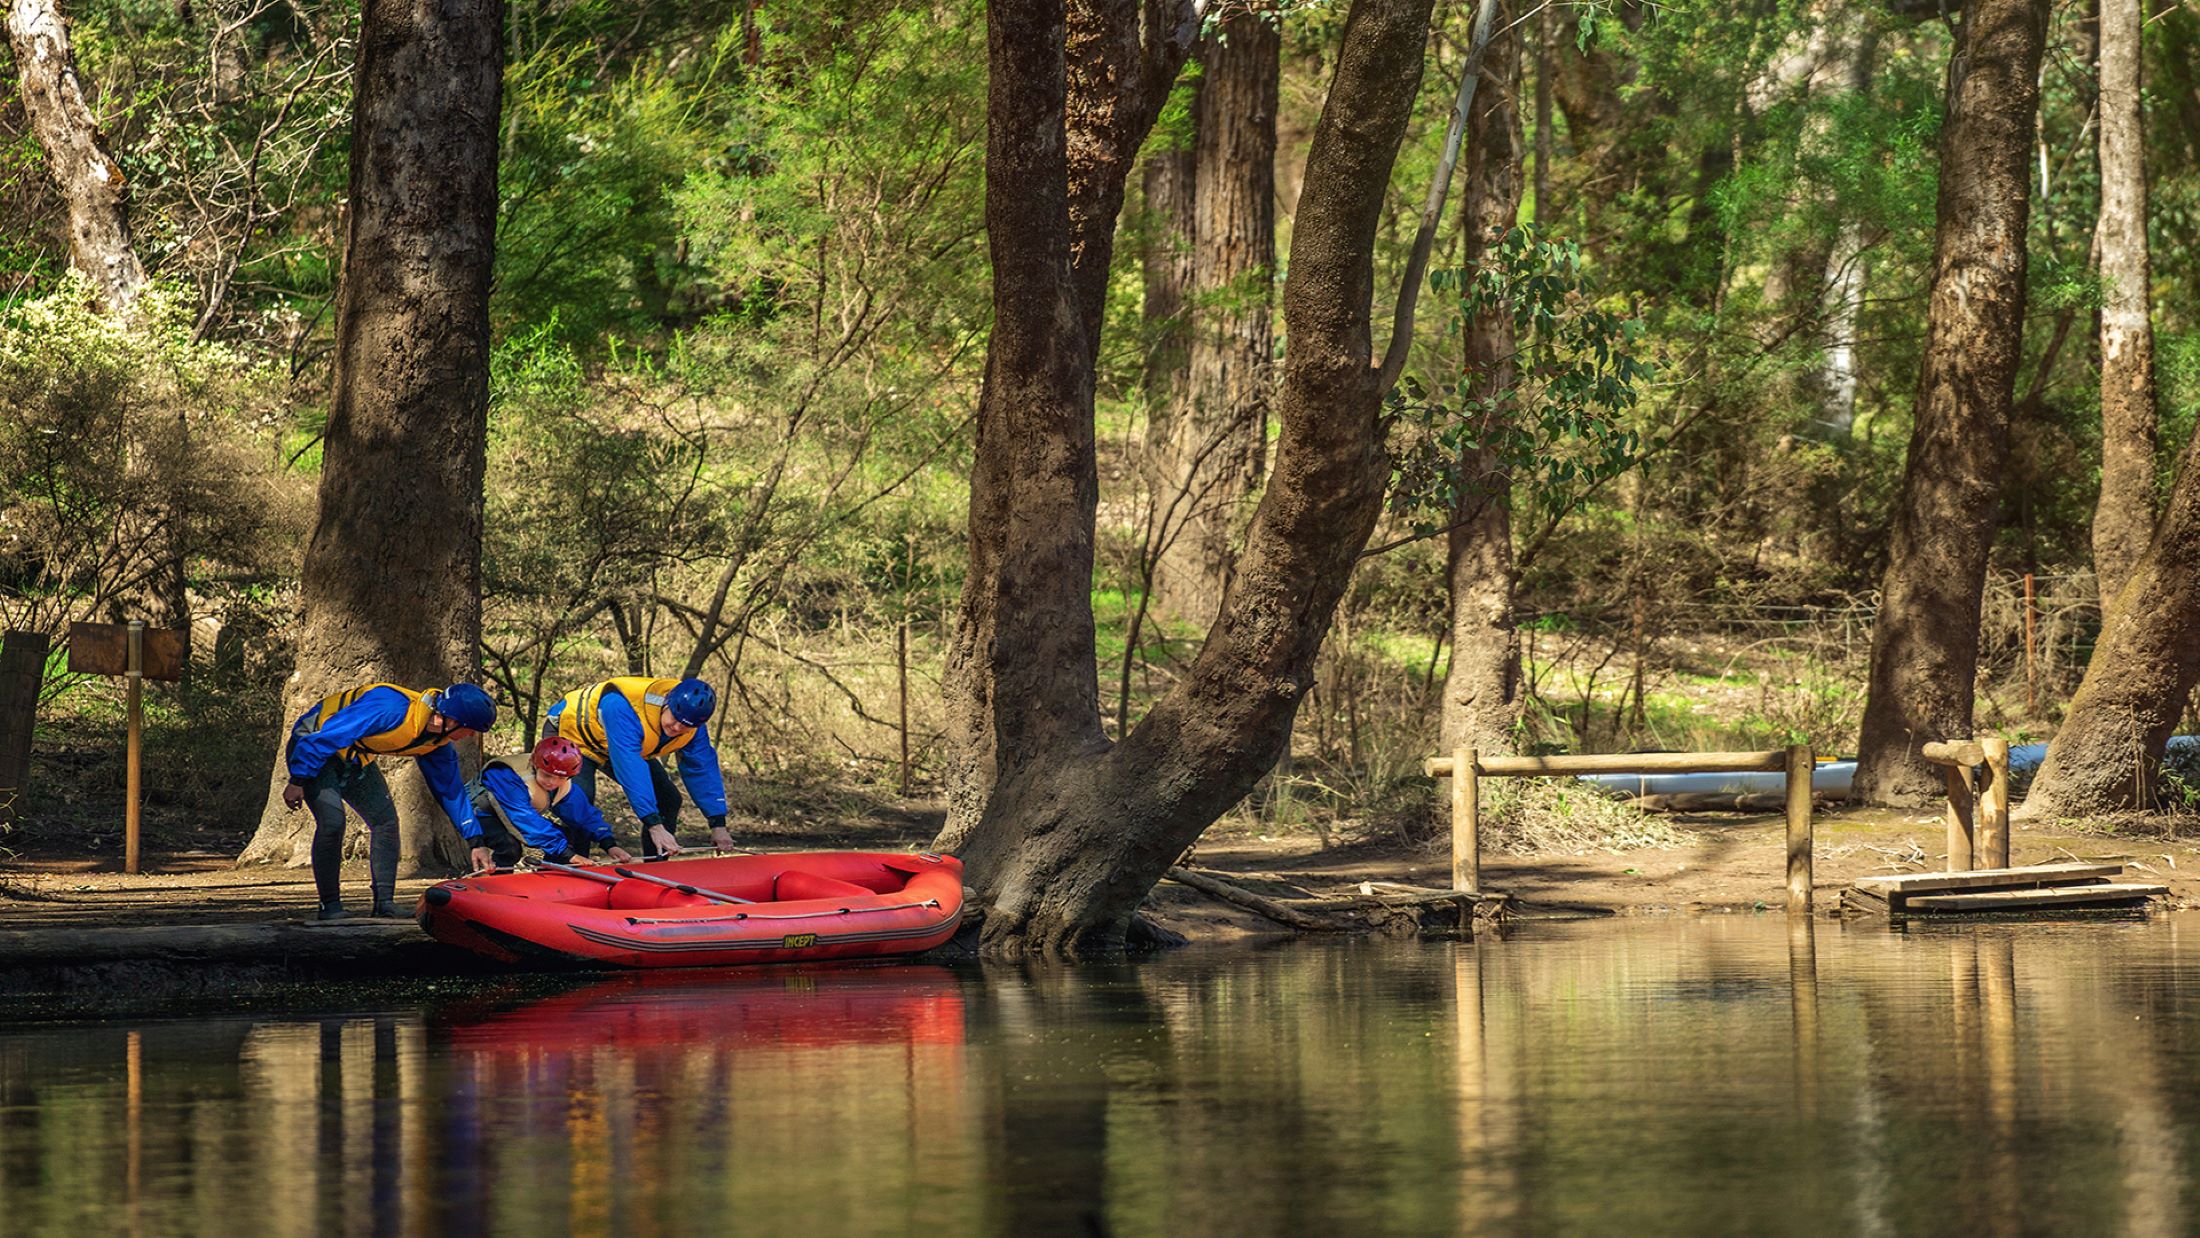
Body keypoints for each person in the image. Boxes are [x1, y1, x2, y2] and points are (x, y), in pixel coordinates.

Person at [281, 681, 498, 920]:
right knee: (332, 822)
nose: (471, 735)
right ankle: (330, 906)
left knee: (386, 823)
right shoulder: (390, 708)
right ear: (450, 719)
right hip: (313, 748)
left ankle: (385, 904)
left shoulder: (437, 744)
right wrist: (298, 779)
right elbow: (325, 738)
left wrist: (475, 840)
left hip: (355, 758)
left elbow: (451, 792)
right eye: (470, 729)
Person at [545, 676, 735, 858]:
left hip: (615, 745)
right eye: (675, 718)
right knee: (578, 800)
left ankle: (656, 865)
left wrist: (718, 824)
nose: (677, 728)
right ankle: (572, 864)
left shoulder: (693, 721)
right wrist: (654, 825)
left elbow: (702, 768)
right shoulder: (623, 707)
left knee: (668, 799)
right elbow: (631, 768)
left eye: (686, 726)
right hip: (573, 735)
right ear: (666, 704)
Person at [472, 735, 635, 868]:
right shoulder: (507, 776)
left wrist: (609, 844)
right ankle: (494, 882)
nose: (552, 783)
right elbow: (523, 818)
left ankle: (552, 878)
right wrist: (566, 854)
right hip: (479, 813)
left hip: (510, 816)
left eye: (561, 778)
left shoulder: (563, 785)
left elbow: (584, 815)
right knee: (509, 846)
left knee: (567, 836)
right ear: (535, 765)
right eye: (547, 775)